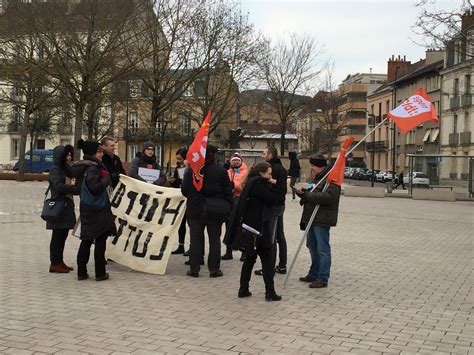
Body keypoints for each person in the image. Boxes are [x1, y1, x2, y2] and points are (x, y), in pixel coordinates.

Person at [224, 162, 284, 301]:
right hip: (259, 230)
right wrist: (277, 185)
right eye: (268, 174)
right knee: (267, 261)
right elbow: (275, 199)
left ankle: (243, 289)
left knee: (250, 259)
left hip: (250, 228)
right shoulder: (259, 184)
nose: (270, 177)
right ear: (261, 173)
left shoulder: (251, 183)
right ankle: (270, 293)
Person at [181, 144, 233, 278]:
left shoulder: (191, 170)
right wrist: (228, 206)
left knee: (195, 239)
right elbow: (228, 190)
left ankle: (194, 269)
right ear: (213, 155)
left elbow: (184, 191)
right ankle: (214, 269)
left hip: (195, 209)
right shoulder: (220, 170)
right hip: (215, 210)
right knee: (214, 239)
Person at [295, 153, 341, 288]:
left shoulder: (332, 178)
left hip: (322, 218)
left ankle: (323, 277)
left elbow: (329, 197)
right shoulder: (318, 178)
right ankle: (314, 273)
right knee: (312, 246)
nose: (311, 168)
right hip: (312, 217)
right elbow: (313, 191)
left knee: (322, 249)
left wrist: (308, 195)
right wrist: (303, 193)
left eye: (313, 166)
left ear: (319, 166)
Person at [73, 140, 117, 281]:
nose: (101, 154)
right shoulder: (93, 168)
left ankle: (81, 272)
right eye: (99, 151)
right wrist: (106, 179)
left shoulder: (84, 166)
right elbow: (94, 187)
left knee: (86, 239)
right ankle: (100, 273)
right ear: (92, 152)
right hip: (97, 209)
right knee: (99, 239)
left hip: (87, 207)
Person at [46, 144, 80, 273]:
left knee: (63, 234)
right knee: (57, 235)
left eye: (70, 154)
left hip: (66, 204)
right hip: (59, 205)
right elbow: (58, 185)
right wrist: (74, 189)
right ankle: (54, 263)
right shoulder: (55, 169)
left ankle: (60, 261)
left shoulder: (66, 168)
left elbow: (71, 181)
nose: (69, 157)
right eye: (67, 155)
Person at [255, 146, 287, 275]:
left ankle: (269, 267)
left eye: (264, 153)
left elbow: (275, 188)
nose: (262, 156)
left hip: (272, 206)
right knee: (280, 235)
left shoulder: (270, 169)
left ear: (270, 155)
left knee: (271, 238)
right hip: (280, 206)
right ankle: (282, 265)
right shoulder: (282, 168)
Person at [222, 152, 249, 261]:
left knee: (240, 226)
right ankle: (228, 251)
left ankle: (243, 252)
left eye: (237, 160)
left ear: (241, 161)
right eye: (234, 160)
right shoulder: (227, 172)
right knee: (228, 226)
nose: (236, 162)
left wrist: (235, 186)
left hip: (240, 200)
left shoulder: (246, 172)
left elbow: (244, 186)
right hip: (229, 200)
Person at [170, 147, 189, 255]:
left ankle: (192, 246)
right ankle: (181, 245)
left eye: (180, 159)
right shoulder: (177, 168)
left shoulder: (190, 168)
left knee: (191, 224)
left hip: (189, 198)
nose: (178, 161)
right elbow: (177, 183)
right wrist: (172, 182)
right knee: (181, 223)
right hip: (180, 198)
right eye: (177, 159)